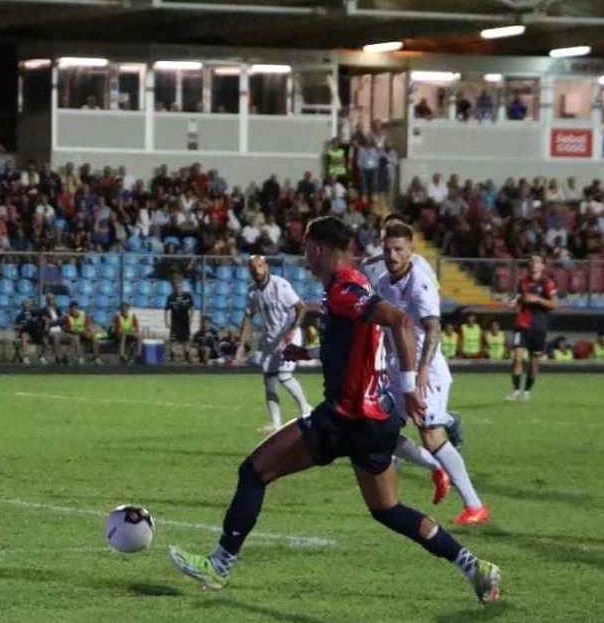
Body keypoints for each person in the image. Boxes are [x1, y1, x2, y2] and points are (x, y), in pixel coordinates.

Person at [167, 216, 501, 603]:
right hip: (377, 422)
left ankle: (219, 565)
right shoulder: (353, 287)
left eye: (308, 250)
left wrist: (411, 386)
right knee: (388, 509)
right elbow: (353, 348)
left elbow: (401, 321)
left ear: (321, 250)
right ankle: (474, 566)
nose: (305, 258)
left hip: (346, 417)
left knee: (254, 471)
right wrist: (306, 353)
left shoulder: (346, 288)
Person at [362, 222, 489, 524]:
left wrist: (421, 373)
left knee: (431, 435)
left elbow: (433, 330)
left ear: (411, 251)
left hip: (426, 371)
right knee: (377, 431)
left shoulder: (420, 283)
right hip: (397, 369)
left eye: (399, 250)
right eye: (388, 250)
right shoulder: (382, 283)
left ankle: (475, 506)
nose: (392, 256)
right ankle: (436, 467)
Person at [235, 256, 311, 434]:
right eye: (253, 267)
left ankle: (307, 410)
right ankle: (276, 425)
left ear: (266, 267)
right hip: (270, 339)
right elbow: (248, 318)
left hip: (289, 335)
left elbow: (302, 307)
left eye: (260, 266)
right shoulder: (252, 292)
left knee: (284, 375)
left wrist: (292, 330)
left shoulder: (280, 285)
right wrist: (241, 344)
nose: (257, 270)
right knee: (269, 380)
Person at [507, 254, 557, 402]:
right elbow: (517, 299)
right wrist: (513, 303)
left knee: (534, 361)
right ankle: (516, 390)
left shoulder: (547, 283)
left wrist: (538, 299)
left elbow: (554, 304)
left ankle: (527, 391)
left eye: (537, 262)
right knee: (517, 357)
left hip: (539, 327)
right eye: (531, 262)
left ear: (542, 266)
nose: (534, 264)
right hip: (522, 324)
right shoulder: (522, 282)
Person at [164, 279, 194, 363]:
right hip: (175, 322)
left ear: (182, 287)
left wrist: (191, 318)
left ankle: (187, 355)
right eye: (176, 287)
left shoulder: (187, 296)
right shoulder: (171, 297)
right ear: (173, 287)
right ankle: (173, 355)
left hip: (185, 321)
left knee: (186, 339)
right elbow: (166, 310)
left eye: (179, 286)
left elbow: (192, 308)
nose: (177, 288)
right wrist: (166, 321)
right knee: (174, 340)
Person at [13, 298, 42, 365]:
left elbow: (39, 323)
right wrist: (20, 326)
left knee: (43, 336)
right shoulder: (20, 316)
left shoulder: (35, 314)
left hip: (34, 333)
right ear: (22, 305)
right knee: (24, 335)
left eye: (28, 303)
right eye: (25, 304)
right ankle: (26, 357)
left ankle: (41, 356)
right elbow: (15, 326)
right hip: (24, 333)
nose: (27, 305)